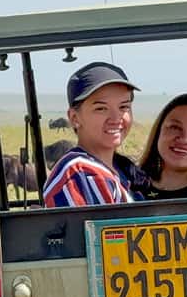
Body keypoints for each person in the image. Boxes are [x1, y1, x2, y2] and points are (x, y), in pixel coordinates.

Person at [42, 62, 149, 207]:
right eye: (101, 108)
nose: (116, 118)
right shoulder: (80, 174)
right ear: (74, 118)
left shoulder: (117, 170)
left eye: (124, 107)